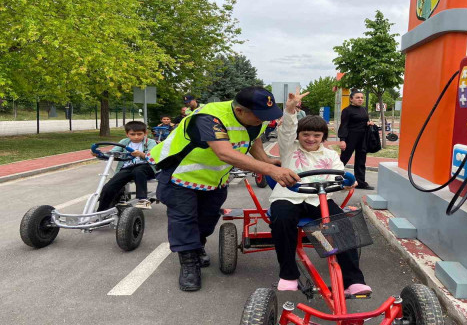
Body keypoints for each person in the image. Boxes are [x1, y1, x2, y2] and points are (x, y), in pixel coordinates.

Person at [147, 86, 300, 292]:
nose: (263, 120)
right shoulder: (210, 117)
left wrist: (269, 160)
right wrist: (269, 169)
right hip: (179, 174)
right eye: (259, 116)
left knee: (207, 218)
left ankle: (197, 245)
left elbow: (253, 140)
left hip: (215, 178)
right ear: (240, 111)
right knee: (184, 218)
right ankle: (189, 262)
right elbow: (224, 153)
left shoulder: (255, 120)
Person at [269, 89, 372, 296]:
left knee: (343, 225)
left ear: (323, 137)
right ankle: (288, 275)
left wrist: (345, 183)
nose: (310, 139)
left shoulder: (331, 155)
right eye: (305, 134)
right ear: (299, 135)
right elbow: (287, 129)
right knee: (281, 219)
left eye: (316, 135)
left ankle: (354, 281)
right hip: (289, 197)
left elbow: (340, 175)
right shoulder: (290, 148)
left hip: (320, 200)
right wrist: (290, 110)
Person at [96, 121, 157, 211]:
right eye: (132, 134)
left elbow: (153, 156)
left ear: (145, 133)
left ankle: (143, 199)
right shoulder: (124, 142)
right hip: (128, 167)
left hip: (147, 167)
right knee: (110, 185)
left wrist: (140, 154)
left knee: (139, 170)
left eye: (139, 134)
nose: (136, 137)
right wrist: (98, 154)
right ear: (127, 134)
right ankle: (102, 211)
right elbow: (112, 153)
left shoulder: (150, 142)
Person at [338, 91, 375, 190]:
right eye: (358, 97)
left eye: (362, 98)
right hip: (350, 138)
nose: (360, 99)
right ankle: (332, 178)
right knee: (343, 159)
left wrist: (368, 123)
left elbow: (362, 122)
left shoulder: (363, 109)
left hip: (362, 138)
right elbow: (344, 126)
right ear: (351, 99)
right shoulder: (347, 110)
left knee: (361, 161)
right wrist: (342, 140)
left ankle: (360, 182)